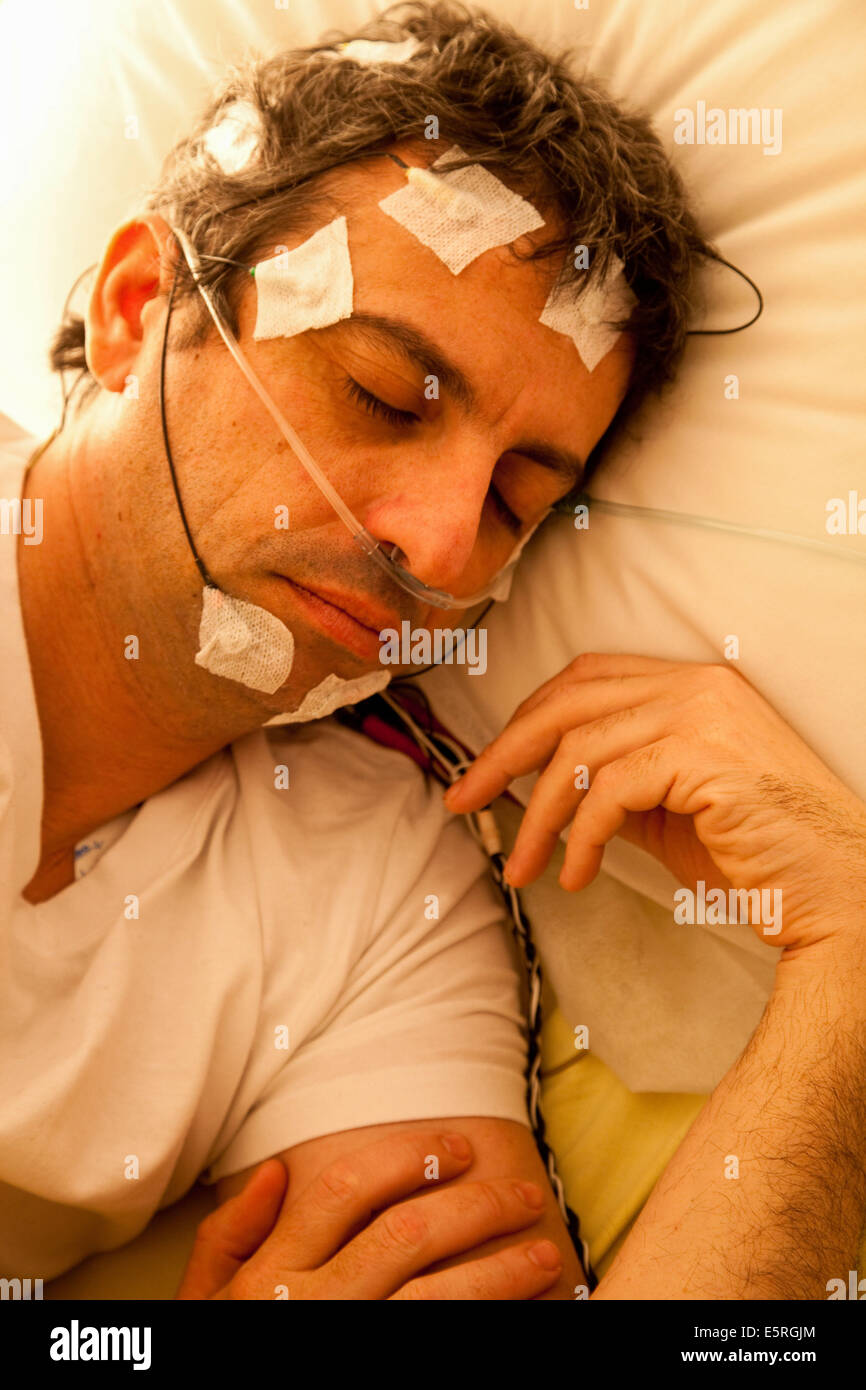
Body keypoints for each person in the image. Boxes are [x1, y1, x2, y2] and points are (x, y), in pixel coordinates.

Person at [5, 0, 862, 1300]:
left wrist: (848, 959)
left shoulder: (380, 890)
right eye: (383, 395)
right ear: (137, 310)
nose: (446, 547)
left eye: (519, 493)